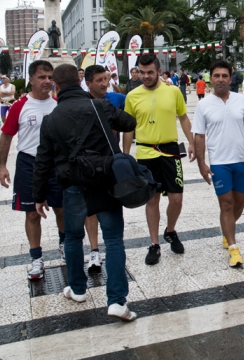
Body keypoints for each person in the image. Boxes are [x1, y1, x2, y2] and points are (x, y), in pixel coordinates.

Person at [33, 64, 137, 322]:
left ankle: (78, 289)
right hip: (104, 182)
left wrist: (38, 195)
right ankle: (116, 301)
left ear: (56, 86)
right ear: (80, 82)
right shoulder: (99, 105)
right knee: (113, 240)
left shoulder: (51, 119)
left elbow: (42, 160)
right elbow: (129, 123)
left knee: (72, 238)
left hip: (72, 185)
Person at [123, 53, 195, 265]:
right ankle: (154, 244)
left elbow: (183, 117)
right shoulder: (132, 96)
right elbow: (128, 129)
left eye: (150, 73)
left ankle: (170, 230)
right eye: (142, 72)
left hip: (170, 151)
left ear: (157, 71)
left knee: (176, 198)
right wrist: (125, 156)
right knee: (152, 199)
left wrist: (192, 142)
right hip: (145, 154)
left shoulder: (173, 92)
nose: (145, 76)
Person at [0, 60, 67, 279]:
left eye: (50, 77)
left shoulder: (59, 104)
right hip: (29, 163)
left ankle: (65, 247)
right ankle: (36, 258)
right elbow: (6, 136)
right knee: (31, 214)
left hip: (56, 164)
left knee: (62, 209)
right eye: (42, 77)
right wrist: (2, 166)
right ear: (31, 79)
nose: (47, 81)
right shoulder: (19, 106)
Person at [192, 61, 244, 267]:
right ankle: (233, 248)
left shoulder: (240, 100)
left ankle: (227, 229)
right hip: (219, 163)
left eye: (224, 76)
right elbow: (199, 136)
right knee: (226, 204)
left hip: (240, 160)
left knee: (241, 202)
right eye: (217, 75)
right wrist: (202, 164)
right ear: (211, 78)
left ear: (230, 78)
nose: (220, 79)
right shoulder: (203, 105)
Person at [82, 65, 128, 272]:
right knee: (90, 211)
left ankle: (113, 253)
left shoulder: (115, 99)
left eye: (106, 79)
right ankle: (93, 250)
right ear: (88, 83)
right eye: (99, 79)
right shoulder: (81, 104)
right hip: (88, 165)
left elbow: (127, 122)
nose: (104, 83)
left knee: (111, 218)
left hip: (109, 164)